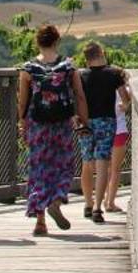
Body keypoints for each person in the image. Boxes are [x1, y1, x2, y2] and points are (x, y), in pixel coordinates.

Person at [20, 24, 85, 237]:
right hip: (62, 124)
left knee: (39, 167)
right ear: (57, 41)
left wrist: (22, 123)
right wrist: (84, 120)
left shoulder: (29, 68)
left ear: (37, 42)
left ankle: (40, 222)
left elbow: (23, 101)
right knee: (63, 164)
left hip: (38, 124)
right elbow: (79, 94)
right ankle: (56, 201)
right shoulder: (68, 66)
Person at [78, 43, 128, 224]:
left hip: (85, 122)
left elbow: (77, 98)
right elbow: (125, 98)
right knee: (102, 165)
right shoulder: (114, 74)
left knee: (87, 162)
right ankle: (98, 208)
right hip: (106, 122)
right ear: (101, 54)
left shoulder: (80, 75)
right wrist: (126, 106)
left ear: (86, 58)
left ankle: (87, 203)